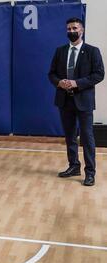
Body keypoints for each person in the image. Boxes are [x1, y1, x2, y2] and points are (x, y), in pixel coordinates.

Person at [48, 17, 105, 187]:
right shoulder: (60, 51)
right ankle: (74, 166)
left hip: (84, 101)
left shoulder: (92, 51)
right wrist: (59, 82)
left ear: (82, 30)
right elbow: (51, 74)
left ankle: (90, 173)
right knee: (70, 136)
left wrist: (77, 83)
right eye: (69, 29)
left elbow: (99, 74)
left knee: (87, 137)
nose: (71, 31)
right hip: (64, 101)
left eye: (75, 28)